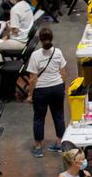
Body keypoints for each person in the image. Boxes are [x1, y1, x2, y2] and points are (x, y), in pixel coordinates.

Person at [23, 26, 67, 158]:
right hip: (57, 87)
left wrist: (30, 95)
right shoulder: (58, 52)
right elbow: (63, 72)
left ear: (41, 41)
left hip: (41, 91)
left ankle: (38, 147)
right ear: (51, 38)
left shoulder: (35, 55)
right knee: (59, 116)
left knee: (39, 118)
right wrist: (61, 88)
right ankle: (60, 143)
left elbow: (32, 79)